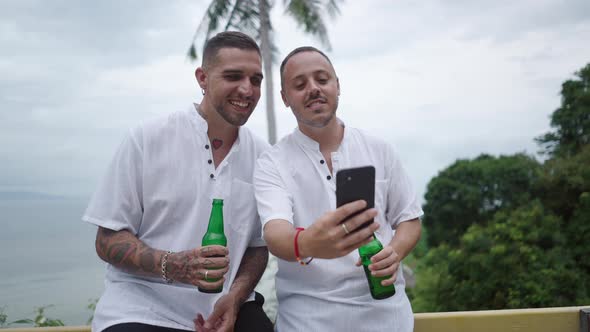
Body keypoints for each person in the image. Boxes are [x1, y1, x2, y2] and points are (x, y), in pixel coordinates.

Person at [83, 31, 274, 332]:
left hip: (226, 309)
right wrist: (173, 265)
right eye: (233, 76)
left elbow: (257, 247)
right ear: (202, 77)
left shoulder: (264, 157)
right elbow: (107, 240)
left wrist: (236, 297)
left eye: (256, 80)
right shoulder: (147, 138)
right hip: (142, 309)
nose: (247, 89)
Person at [253, 46, 423, 332]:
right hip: (307, 321)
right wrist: (307, 243)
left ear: (337, 85)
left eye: (322, 79)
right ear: (284, 98)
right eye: (299, 84)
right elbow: (275, 233)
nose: (313, 89)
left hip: (386, 317)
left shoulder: (378, 149)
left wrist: (394, 252)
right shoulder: (272, 161)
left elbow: (409, 219)